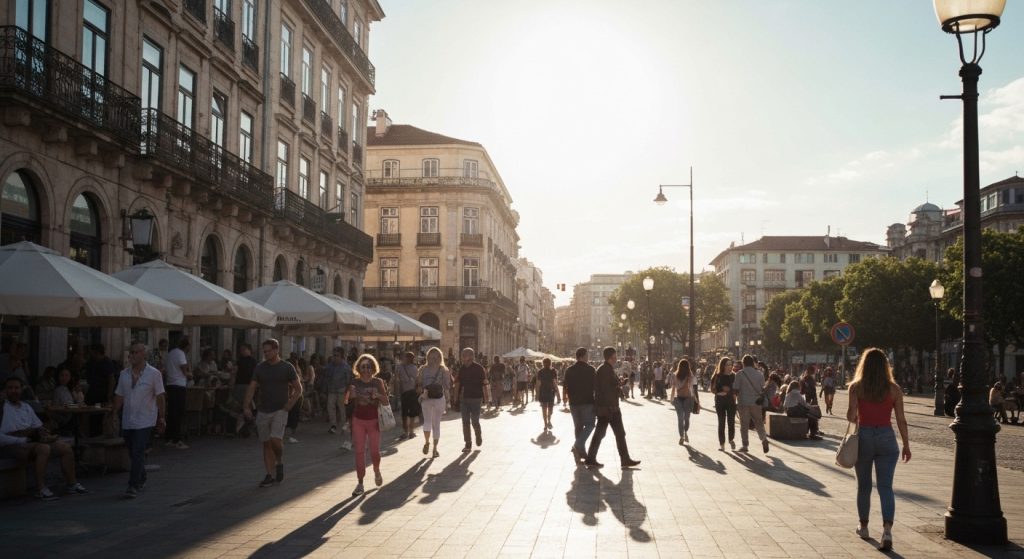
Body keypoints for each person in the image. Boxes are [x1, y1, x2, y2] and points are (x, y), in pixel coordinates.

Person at [847, 348, 911, 551]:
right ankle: (887, 531)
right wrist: (906, 445)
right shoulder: (894, 389)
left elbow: (851, 417)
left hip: (864, 437)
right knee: (885, 487)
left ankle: (864, 526)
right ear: (886, 366)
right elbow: (901, 419)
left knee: (863, 486)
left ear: (863, 365)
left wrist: (856, 408)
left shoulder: (856, 387)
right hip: (886, 438)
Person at [0, 377, 88, 499]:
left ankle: (72, 484)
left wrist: (44, 433)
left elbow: (38, 426)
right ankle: (41, 489)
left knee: (65, 447)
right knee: (43, 449)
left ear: (21, 390)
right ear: (5, 390)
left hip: (30, 440)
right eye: (10, 388)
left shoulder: (26, 407)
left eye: (16, 388)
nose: (13, 391)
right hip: (10, 444)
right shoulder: (2, 408)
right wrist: (23, 440)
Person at [243, 339, 302, 488]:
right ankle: (269, 474)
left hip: (280, 409)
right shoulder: (260, 368)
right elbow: (252, 387)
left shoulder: (287, 367)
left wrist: (290, 403)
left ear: (276, 350)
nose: (267, 354)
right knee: (266, 443)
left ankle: (279, 461)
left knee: (275, 439)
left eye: (269, 351)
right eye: (265, 351)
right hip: (263, 409)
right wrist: (246, 406)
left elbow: (298, 388)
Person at [112, 343, 166, 498]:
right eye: (130, 353)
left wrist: (161, 417)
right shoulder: (124, 374)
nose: (131, 356)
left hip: (145, 419)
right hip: (128, 419)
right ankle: (141, 476)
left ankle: (132, 485)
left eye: (135, 353)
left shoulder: (154, 374)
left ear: (144, 355)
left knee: (137, 451)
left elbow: (160, 396)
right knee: (132, 451)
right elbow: (119, 395)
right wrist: (114, 413)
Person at [586, 347, 640, 469]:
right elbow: (605, 390)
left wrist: (619, 384)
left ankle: (624, 459)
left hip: (609, 407)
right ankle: (592, 458)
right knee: (603, 433)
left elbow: (609, 386)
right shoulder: (605, 370)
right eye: (615, 357)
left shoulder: (606, 369)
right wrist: (617, 389)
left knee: (616, 433)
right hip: (608, 408)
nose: (616, 359)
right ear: (610, 357)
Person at [346, 354, 388, 496]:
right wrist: (350, 395)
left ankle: (376, 470)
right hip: (358, 420)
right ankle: (360, 483)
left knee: (375, 451)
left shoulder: (378, 382)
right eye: (363, 367)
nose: (366, 370)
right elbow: (346, 400)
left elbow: (386, 401)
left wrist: (378, 396)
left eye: (369, 366)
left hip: (374, 421)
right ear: (358, 368)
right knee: (359, 452)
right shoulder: (354, 382)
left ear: (373, 367)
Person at [563, 348, 596, 465]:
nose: (588, 357)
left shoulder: (569, 370)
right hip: (587, 402)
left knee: (578, 427)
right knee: (591, 425)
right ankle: (577, 446)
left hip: (573, 403)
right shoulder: (591, 369)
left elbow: (565, 386)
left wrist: (564, 399)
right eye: (587, 355)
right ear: (582, 357)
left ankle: (581, 453)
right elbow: (595, 386)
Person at [418, 347, 451, 458]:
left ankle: (427, 442)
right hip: (439, 398)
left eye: (435, 357)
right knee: (436, 424)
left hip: (426, 397)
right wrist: (448, 400)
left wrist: (423, 391)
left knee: (427, 421)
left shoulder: (422, 369)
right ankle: (435, 449)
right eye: (433, 357)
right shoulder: (444, 369)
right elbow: (447, 386)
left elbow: (418, 384)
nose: (434, 359)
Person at [734, 355, 769, 454]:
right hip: (756, 402)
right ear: (753, 363)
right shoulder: (759, 374)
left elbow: (736, 389)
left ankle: (745, 445)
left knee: (744, 424)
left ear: (743, 363)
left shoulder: (739, 374)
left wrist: (734, 401)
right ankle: (763, 439)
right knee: (759, 423)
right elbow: (762, 388)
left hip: (743, 402)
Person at [83, 343, 118, 436]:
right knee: (91, 416)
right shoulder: (91, 362)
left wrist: (109, 395)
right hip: (92, 394)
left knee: (98, 415)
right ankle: (91, 434)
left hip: (101, 395)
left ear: (96, 352)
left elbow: (111, 379)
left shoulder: (106, 363)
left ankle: (97, 435)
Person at [163, 337, 192, 449]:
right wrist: (190, 374)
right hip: (178, 386)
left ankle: (169, 438)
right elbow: (185, 371)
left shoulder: (170, 353)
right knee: (178, 413)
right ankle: (177, 439)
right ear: (186, 346)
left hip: (170, 385)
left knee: (171, 413)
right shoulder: (180, 354)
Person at [457, 348, 488, 452]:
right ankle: (468, 444)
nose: (462, 358)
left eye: (464, 356)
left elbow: (484, 384)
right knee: (465, 422)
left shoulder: (479, 368)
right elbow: (458, 384)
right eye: (462, 356)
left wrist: (487, 400)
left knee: (474, 421)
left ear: (470, 357)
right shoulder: (462, 369)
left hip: (476, 398)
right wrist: (455, 397)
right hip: (464, 399)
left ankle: (478, 434)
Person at [711, 357, 737, 451]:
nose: (730, 366)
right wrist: (718, 392)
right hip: (720, 402)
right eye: (727, 365)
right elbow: (712, 388)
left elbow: (737, 389)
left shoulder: (734, 376)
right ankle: (722, 444)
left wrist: (730, 393)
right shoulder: (717, 376)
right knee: (721, 422)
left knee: (731, 422)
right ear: (723, 366)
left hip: (731, 401)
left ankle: (731, 439)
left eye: (731, 364)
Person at [670, 358, 696, 445]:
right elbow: (692, 388)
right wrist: (695, 399)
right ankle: (683, 435)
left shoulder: (688, 375)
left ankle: (683, 434)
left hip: (679, 398)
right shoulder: (677, 375)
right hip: (688, 398)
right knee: (685, 418)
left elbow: (673, 388)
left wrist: (672, 398)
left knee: (681, 419)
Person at [394, 351, 420, 440]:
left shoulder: (399, 367)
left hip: (404, 393)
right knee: (412, 413)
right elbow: (417, 380)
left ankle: (406, 432)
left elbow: (396, 380)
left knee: (404, 414)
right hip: (412, 392)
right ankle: (411, 432)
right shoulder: (415, 368)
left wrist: (397, 393)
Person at [535, 358, 559, 431]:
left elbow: (538, 384)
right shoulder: (551, 371)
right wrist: (558, 395)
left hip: (545, 392)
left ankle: (547, 422)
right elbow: (555, 383)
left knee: (544, 409)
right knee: (549, 409)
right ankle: (547, 422)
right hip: (550, 392)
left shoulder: (543, 371)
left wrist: (537, 394)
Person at [233, 343, 257, 410]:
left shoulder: (253, 361)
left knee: (248, 404)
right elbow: (234, 373)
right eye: (241, 350)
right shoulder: (239, 361)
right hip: (239, 384)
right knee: (239, 404)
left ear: (249, 350)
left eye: (244, 349)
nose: (242, 351)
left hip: (248, 385)